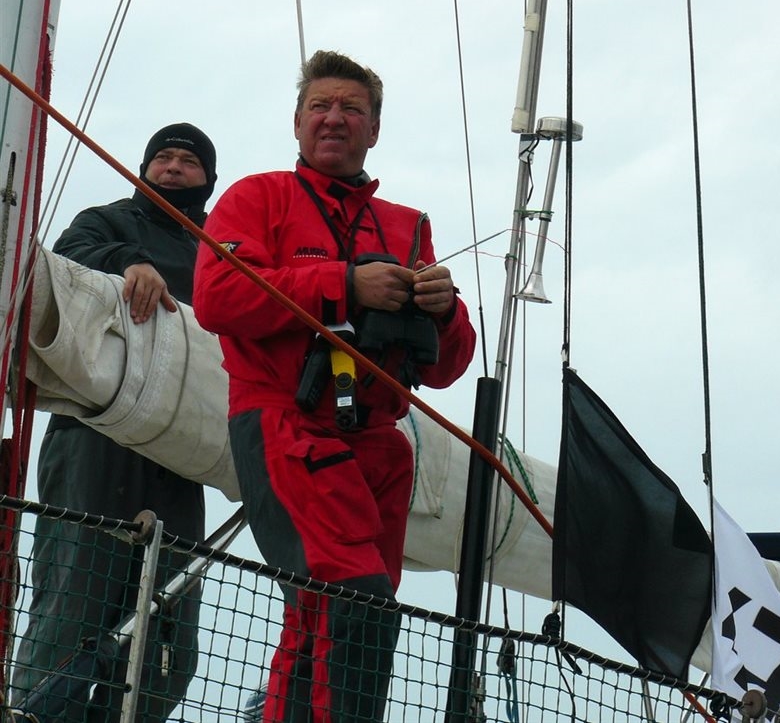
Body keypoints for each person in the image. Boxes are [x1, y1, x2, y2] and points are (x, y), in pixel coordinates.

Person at [192, 50, 476, 722]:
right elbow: (217, 295)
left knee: (330, 618)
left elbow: (444, 367)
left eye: (352, 108)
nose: (334, 117)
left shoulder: (408, 227)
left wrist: (444, 311)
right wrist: (345, 283)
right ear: (297, 122)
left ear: (373, 129)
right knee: (356, 604)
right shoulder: (257, 199)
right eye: (320, 105)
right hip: (287, 426)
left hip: (378, 449)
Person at [10, 123, 217, 721]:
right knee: (75, 603)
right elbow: (65, 256)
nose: (173, 167)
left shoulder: (216, 252)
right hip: (94, 438)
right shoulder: (105, 222)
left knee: (169, 634)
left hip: (180, 451)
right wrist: (131, 262)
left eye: (187, 161)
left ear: (208, 179)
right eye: (163, 157)